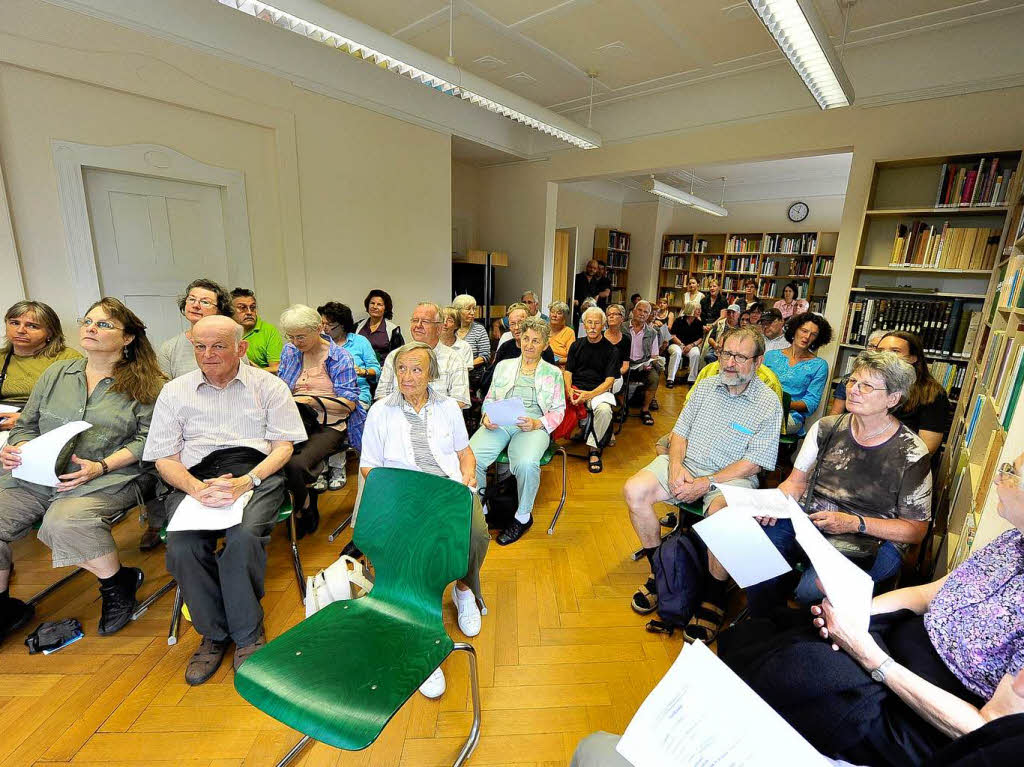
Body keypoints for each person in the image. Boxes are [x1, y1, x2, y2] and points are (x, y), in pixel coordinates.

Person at [715, 450, 1024, 766]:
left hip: (924, 706)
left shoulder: (910, 453)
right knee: (774, 635)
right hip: (892, 640)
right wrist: (857, 612)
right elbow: (928, 595)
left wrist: (871, 657)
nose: (999, 477)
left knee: (794, 672)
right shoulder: (1011, 542)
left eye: (1011, 472)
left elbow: (988, 728)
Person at [144, 315, 306, 685]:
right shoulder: (175, 391)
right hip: (195, 476)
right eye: (200, 346)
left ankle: (248, 634)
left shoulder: (269, 386)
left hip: (255, 472)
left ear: (241, 348)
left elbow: (283, 447)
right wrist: (195, 488)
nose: (208, 354)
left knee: (244, 537)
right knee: (183, 546)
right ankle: (214, 634)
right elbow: (164, 458)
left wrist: (247, 481)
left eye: (218, 346)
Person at [0, 298, 163, 640]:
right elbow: (26, 424)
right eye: (88, 321)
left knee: (65, 522)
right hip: (40, 473)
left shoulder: (150, 383)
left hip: (112, 473)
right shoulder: (58, 372)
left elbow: (150, 440)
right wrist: (19, 448)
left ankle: (117, 583)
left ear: (128, 338)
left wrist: (101, 466)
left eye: (104, 324)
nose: (90, 328)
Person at [623, 325, 781, 642]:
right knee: (634, 490)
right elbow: (679, 434)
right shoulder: (706, 386)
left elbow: (755, 462)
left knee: (721, 516)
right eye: (725, 353)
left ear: (759, 361)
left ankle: (714, 597)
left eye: (739, 356)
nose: (729, 363)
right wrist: (675, 468)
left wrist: (706, 483)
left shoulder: (768, 404)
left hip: (732, 476)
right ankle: (660, 574)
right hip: (687, 464)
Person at [746, 350, 932, 614]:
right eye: (852, 381)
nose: (853, 390)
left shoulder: (912, 452)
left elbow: (915, 530)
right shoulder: (826, 427)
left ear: (893, 398)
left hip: (871, 538)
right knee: (756, 553)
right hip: (811, 520)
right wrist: (772, 505)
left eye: (866, 386)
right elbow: (795, 483)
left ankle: (800, 632)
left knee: (812, 589)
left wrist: (854, 522)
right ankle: (766, 623)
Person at [360, 342, 487, 700]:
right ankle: (420, 636)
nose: (408, 376)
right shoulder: (381, 411)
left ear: (430, 374)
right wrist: (402, 496)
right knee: (412, 554)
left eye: (416, 369)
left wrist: (468, 477)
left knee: (476, 533)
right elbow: (369, 465)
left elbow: (464, 452)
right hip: (403, 495)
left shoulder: (448, 407)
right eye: (402, 369)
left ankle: (464, 589)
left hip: (447, 488)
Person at [470, 316, 565, 545]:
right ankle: (481, 511)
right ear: (519, 340)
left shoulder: (553, 373)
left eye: (536, 340)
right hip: (503, 419)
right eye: (526, 339)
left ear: (545, 344)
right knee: (472, 456)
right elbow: (490, 398)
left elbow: (559, 410)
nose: (530, 345)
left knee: (525, 463)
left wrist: (537, 424)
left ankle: (522, 517)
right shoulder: (504, 366)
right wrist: (486, 415)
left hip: (533, 423)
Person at [277, 304, 362, 535]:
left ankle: (303, 505)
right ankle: (304, 495)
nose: (296, 342)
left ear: (319, 328)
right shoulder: (290, 351)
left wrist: (311, 400)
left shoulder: (339, 357)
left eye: (301, 336)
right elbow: (282, 388)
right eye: (291, 336)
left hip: (330, 425)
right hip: (295, 421)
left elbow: (349, 404)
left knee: (294, 463)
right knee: (272, 459)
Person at [832, 331, 951, 456]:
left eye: (895, 351)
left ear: (913, 358)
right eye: (880, 351)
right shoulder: (862, 383)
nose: (885, 356)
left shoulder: (932, 393)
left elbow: (927, 448)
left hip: (897, 462)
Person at [317, 301, 378, 491]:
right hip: (326, 395)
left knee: (338, 416)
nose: (325, 329)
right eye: (323, 324)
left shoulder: (359, 342)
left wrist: (362, 371)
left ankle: (336, 467)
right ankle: (320, 468)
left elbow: (377, 370)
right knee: (314, 416)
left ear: (342, 325)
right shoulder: (320, 343)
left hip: (356, 393)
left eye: (329, 325)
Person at [0, 301, 81, 432]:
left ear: (50, 332)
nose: (20, 330)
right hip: (4, 421)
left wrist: (27, 420)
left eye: (32, 326)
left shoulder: (67, 358)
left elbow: (77, 405)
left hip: (45, 425)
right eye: (14, 323)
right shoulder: (1, 358)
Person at [375, 303, 470, 408]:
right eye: (415, 320)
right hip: (398, 419)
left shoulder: (454, 359)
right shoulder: (395, 356)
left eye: (425, 321)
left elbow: (460, 400)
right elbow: (382, 395)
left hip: (439, 421)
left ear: (439, 328)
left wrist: (422, 414)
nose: (418, 325)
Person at [565, 307, 620, 474]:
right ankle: (549, 441)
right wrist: (568, 390)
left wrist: (589, 395)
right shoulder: (576, 345)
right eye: (589, 322)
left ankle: (594, 448)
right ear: (584, 324)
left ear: (603, 324)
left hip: (598, 391)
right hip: (575, 389)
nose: (593, 327)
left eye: (597, 323)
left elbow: (610, 380)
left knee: (604, 411)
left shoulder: (611, 350)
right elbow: (568, 371)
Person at [764, 311, 832, 435]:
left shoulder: (819, 366)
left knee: (760, 423)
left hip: (790, 416)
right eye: (804, 331)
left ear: (818, 338)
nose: (807, 337)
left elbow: (811, 403)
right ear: (795, 330)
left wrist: (784, 404)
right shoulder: (770, 356)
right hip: (761, 408)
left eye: (813, 334)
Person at [157, 278, 235, 379]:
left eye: (205, 302)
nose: (195, 305)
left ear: (219, 310)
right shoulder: (169, 348)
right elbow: (165, 391)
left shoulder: (233, 344)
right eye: (191, 299)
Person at [829, 329, 888, 416]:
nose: (873, 351)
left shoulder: (889, 383)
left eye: (878, 348)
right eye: (871, 346)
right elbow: (835, 413)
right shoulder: (849, 379)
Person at [624, 300, 660, 426]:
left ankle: (645, 409)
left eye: (646, 312)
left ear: (649, 315)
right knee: (615, 376)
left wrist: (649, 363)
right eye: (640, 310)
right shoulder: (622, 328)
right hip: (625, 364)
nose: (642, 314)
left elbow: (655, 355)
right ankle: (623, 407)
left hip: (643, 365)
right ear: (634, 311)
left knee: (654, 378)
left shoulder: (652, 333)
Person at [230, 288, 284, 373]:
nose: (249, 312)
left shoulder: (268, 331)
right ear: (230, 311)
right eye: (242, 308)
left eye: (253, 307)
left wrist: (254, 371)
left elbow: (278, 368)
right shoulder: (223, 329)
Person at [356, 289, 404, 365]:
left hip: (383, 372)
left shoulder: (393, 330)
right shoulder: (357, 326)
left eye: (379, 304)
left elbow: (399, 356)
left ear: (385, 308)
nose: (374, 307)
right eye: (372, 303)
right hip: (358, 371)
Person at [450, 294, 491, 373]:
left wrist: (463, 367)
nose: (472, 312)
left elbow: (485, 356)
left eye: (474, 309)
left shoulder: (479, 329)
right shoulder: (449, 328)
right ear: (457, 311)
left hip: (473, 375)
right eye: (468, 309)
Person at [666, 302, 704, 386]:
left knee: (696, 353)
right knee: (677, 352)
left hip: (691, 345)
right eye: (697, 309)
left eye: (700, 309)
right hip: (677, 344)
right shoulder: (679, 320)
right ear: (691, 309)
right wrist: (682, 345)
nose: (699, 311)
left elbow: (700, 338)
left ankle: (692, 379)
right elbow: (673, 335)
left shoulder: (699, 323)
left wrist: (692, 345)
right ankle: (670, 379)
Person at [440, 306, 474, 371]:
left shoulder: (464, 347)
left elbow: (465, 372)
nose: (444, 323)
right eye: (442, 319)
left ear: (456, 325)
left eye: (449, 320)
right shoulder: (432, 345)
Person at [547, 301, 576, 366]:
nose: (554, 315)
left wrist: (555, 361)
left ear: (564, 317)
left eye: (559, 313)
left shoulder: (569, 332)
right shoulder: (544, 329)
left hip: (559, 367)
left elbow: (571, 358)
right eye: (552, 312)